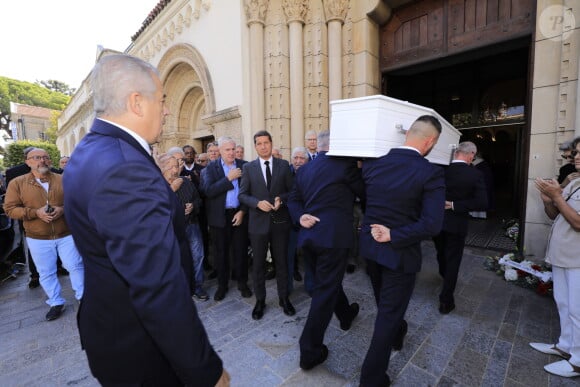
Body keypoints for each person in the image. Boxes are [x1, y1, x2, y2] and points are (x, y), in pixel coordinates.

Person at [62, 54, 227, 386]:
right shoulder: (125, 167)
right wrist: (206, 371)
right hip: (140, 349)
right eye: (162, 99)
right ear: (137, 102)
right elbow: (156, 286)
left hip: (110, 330)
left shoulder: (90, 150)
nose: (167, 109)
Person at [359, 115, 445, 386]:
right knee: (387, 315)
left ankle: (399, 330)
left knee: (387, 308)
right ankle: (371, 380)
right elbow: (433, 224)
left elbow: (366, 202)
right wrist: (394, 234)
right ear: (430, 141)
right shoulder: (430, 172)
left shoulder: (374, 164)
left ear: (409, 134)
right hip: (399, 254)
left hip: (370, 249)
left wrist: (382, 230)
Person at [288, 131, 364, 370]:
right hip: (333, 239)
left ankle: (345, 314)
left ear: (318, 147)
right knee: (324, 291)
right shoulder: (346, 166)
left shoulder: (305, 169)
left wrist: (300, 217)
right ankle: (309, 350)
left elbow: (293, 200)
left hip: (309, 237)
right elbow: (366, 192)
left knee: (327, 283)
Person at [3, 148, 84, 321]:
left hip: (66, 233)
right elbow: (10, 209)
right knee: (46, 271)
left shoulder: (64, 179)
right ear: (28, 161)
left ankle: (83, 298)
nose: (43, 161)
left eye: (46, 157)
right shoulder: (17, 183)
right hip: (37, 237)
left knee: (75, 265)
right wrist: (35, 213)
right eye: (37, 157)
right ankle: (55, 302)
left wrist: (62, 209)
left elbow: (78, 200)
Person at [530, 136, 580, 378]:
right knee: (563, 303)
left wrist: (557, 197)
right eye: (576, 152)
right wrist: (547, 199)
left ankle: (578, 362)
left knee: (578, 310)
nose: (576, 157)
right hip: (561, 256)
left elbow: (578, 222)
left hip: (577, 259)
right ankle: (565, 346)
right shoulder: (574, 184)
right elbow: (554, 215)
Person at [239, 130, 295, 320]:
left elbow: (292, 191)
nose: (263, 146)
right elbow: (242, 195)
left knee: (281, 262)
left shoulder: (283, 165)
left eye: (266, 142)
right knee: (258, 265)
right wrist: (257, 203)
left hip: (280, 223)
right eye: (259, 143)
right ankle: (260, 301)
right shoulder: (248, 168)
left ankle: (284, 298)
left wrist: (282, 199)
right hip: (258, 224)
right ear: (255, 146)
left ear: (271, 143)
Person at [433, 141, 488, 314]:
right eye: (474, 155)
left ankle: (444, 274)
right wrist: (455, 205)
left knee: (441, 252)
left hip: (436, 222)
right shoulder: (475, 174)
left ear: (457, 153)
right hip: (456, 225)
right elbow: (482, 203)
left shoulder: (439, 170)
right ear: (471, 154)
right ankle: (445, 300)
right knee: (453, 260)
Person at [201, 137, 252, 301]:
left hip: (239, 214)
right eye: (227, 150)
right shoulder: (210, 168)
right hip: (219, 217)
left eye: (233, 149)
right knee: (221, 254)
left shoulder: (244, 166)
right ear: (220, 151)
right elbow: (208, 191)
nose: (231, 152)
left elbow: (250, 192)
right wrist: (228, 179)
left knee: (241, 251)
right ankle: (222, 286)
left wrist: (243, 211)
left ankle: (242, 283)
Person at [158, 153, 209, 301]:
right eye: (170, 167)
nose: (175, 170)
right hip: (172, 230)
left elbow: (198, 200)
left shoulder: (186, 182)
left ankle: (197, 286)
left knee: (198, 256)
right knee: (176, 260)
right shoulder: (156, 186)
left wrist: (193, 206)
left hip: (192, 225)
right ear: (161, 169)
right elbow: (156, 208)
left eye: (176, 166)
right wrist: (171, 190)